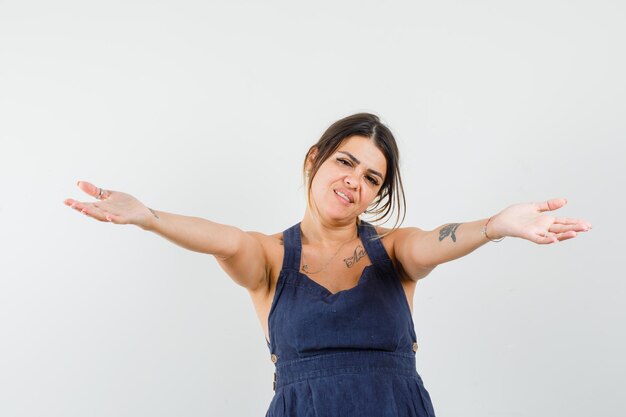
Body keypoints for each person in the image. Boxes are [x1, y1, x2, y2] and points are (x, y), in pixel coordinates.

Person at [64, 113, 591, 417]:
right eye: (346, 161)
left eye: (371, 177)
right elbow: (223, 241)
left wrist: (495, 224)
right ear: (316, 158)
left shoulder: (395, 251)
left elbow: (438, 241)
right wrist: (149, 216)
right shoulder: (270, 256)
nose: (353, 181)